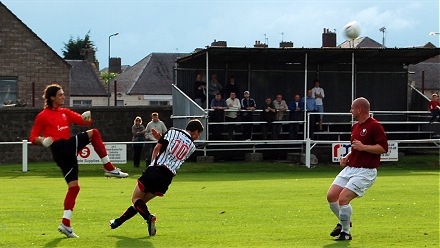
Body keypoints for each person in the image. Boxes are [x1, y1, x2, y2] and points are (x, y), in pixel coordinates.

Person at [29, 83, 129, 238]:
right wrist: (42, 141)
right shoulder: (43, 115)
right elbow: (33, 137)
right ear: (52, 97)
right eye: (60, 94)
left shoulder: (64, 112)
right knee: (94, 133)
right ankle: (109, 168)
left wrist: (86, 118)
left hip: (66, 152)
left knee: (74, 188)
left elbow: (83, 121)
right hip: (61, 147)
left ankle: (65, 224)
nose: (63, 96)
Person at [109, 119, 204, 236]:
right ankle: (117, 222)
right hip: (167, 178)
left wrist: (152, 164)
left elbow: (157, 148)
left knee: (135, 199)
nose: (198, 137)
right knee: (140, 204)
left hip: (156, 169)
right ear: (195, 132)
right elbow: (174, 150)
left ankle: (149, 217)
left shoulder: (173, 131)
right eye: (199, 134)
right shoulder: (192, 147)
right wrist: (161, 138)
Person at [326, 97, 388, 241]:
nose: (351, 111)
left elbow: (383, 148)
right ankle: (344, 222)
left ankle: (346, 233)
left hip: (366, 171)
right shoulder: (356, 126)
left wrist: (364, 147)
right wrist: (347, 156)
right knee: (331, 196)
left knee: (343, 198)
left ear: (359, 110)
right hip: (351, 168)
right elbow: (356, 148)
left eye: (352, 108)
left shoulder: (375, 126)